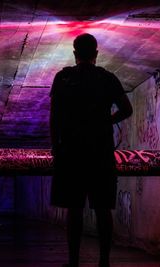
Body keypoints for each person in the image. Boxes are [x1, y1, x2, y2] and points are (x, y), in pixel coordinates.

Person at [49, 33, 133, 267]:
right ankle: (104, 262)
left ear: (75, 54)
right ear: (96, 54)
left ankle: (74, 262)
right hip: (101, 152)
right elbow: (127, 109)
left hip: (71, 153)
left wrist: (56, 147)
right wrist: (107, 121)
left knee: (74, 210)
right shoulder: (107, 78)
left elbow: (54, 117)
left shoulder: (63, 78)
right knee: (103, 209)